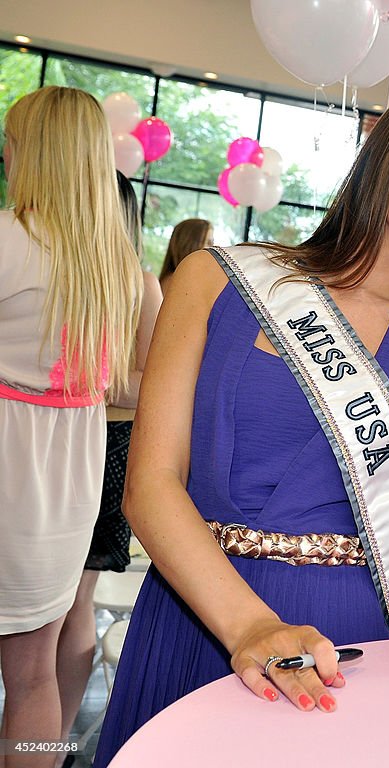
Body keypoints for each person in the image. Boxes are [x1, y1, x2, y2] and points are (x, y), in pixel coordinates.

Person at [93, 75, 389, 764]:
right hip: (200, 611)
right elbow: (149, 487)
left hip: (345, 639)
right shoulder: (214, 280)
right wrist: (251, 625)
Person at [0, 86, 141, 767]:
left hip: (10, 466)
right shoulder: (118, 270)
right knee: (33, 677)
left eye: (12, 139)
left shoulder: (8, 239)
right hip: (68, 484)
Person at [53, 172, 163, 757]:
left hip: (106, 451)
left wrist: (72, 379)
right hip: (48, 441)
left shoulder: (140, 286)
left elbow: (152, 385)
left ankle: (56, 738)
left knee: (73, 605)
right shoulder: (56, 275)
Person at [158, 217, 213, 292]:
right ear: (190, 245)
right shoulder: (176, 283)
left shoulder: (179, 280)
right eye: (208, 242)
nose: (213, 248)